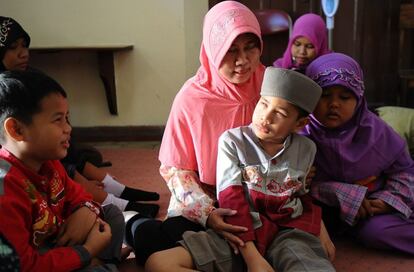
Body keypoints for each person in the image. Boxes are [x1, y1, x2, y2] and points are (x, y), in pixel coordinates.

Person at [145, 67, 336, 272]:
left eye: (279, 113)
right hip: (238, 233)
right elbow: (231, 200)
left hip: (287, 233)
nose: (266, 117)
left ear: (300, 124)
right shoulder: (233, 141)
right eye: (263, 104)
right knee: (158, 263)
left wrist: (320, 228)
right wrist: (253, 259)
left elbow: (300, 195)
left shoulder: (306, 148)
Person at [125, 1, 266, 265]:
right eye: (231, 50)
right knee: (157, 243)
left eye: (250, 47)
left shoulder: (271, 86)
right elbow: (176, 171)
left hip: (263, 193)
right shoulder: (192, 98)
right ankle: (133, 224)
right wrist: (209, 214)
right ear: (213, 49)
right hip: (206, 199)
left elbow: (294, 139)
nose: (243, 61)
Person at [0, 16, 160, 217]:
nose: (23, 53)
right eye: (14, 48)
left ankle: (111, 187)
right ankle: (109, 200)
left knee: (75, 146)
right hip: (23, 154)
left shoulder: (28, 76)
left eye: (25, 45)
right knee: (59, 157)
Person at [0, 70, 127, 271]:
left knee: (112, 214)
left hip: (58, 242)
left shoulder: (50, 163)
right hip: (37, 259)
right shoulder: (5, 190)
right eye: (58, 120)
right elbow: (23, 265)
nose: (68, 128)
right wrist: (87, 250)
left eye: (67, 118)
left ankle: (102, 263)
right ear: (17, 130)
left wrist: (86, 210)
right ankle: (101, 263)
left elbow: (81, 195)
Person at [303, 52, 414, 254]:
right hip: (323, 211)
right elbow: (293, 184)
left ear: (359, 100)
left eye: (344, 97)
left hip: (373, 209)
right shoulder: (300, 135)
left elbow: (405, 171)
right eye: (324, 95)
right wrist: (337, 191)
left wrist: (388, 201)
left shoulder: (377, 132)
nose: (334, 104)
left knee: (376, 232)